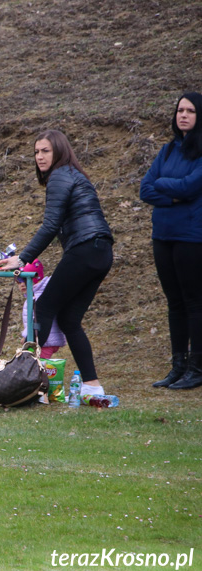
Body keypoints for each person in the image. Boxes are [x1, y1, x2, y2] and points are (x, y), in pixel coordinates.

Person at [0, 129, 113, 400]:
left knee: (45, 306)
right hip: (101, 252)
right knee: (70, 320)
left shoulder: (60, 175)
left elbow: (50, 225)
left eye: (45, 151)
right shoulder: (75, 175)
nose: (39, 156)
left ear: (59, 151)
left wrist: (23, 257)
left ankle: (23, 375)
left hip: (85, 250)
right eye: (36, 152)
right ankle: (93, 386)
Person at [140, 92, 202, 390]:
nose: (184, 115)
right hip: (162, 235)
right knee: (174, 302)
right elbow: (145, 188)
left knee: (194, 302)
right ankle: (177, 367)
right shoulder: (167, 150)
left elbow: (192, 186)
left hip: (191, 236)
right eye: (180, 110)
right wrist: (174, 192)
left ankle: (197, 367)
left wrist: (166, 187)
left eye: (190, 111)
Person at [18, 259, 66, 359]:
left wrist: (27, 338)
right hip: (47, 339)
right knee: (38, 366)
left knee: (36, 366)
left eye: (25, 280)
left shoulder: (38, 297)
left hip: (44, 340)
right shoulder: (40, 294)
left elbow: (36, 319)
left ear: (35, 278)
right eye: (19, 281)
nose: (22, 284)